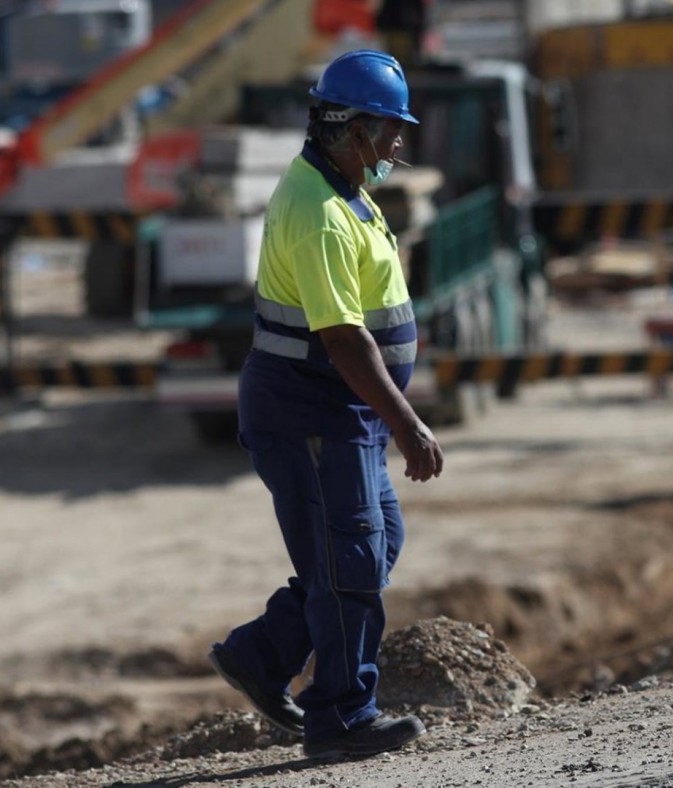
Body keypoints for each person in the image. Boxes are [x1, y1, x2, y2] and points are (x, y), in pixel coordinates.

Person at [208, 49, 444, 762]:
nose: (399, 142)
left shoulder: (345, 189)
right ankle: (340, 717)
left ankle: (261, 655)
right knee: (350, 562)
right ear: (352, 127)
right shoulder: (317, 210)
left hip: (342, 415)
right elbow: (344, 339)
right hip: (311, 412)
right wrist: (408, 422)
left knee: (372, 548)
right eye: (390, 127)